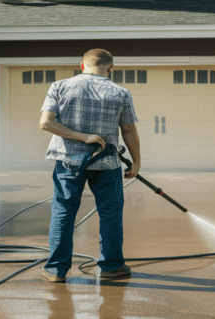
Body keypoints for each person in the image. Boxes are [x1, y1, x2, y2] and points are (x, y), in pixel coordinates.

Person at [38, 48, 141, 282]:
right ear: (110, 68)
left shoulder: (60, 86)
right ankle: (111, 267)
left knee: (64, 212)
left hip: (68, 162)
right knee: (110, 215)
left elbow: (46, 123)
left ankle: (56, 270)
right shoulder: (121, 92)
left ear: (82, 65)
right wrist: (136, 162)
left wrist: (80, 136)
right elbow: (129, 130)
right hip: (106, 164)